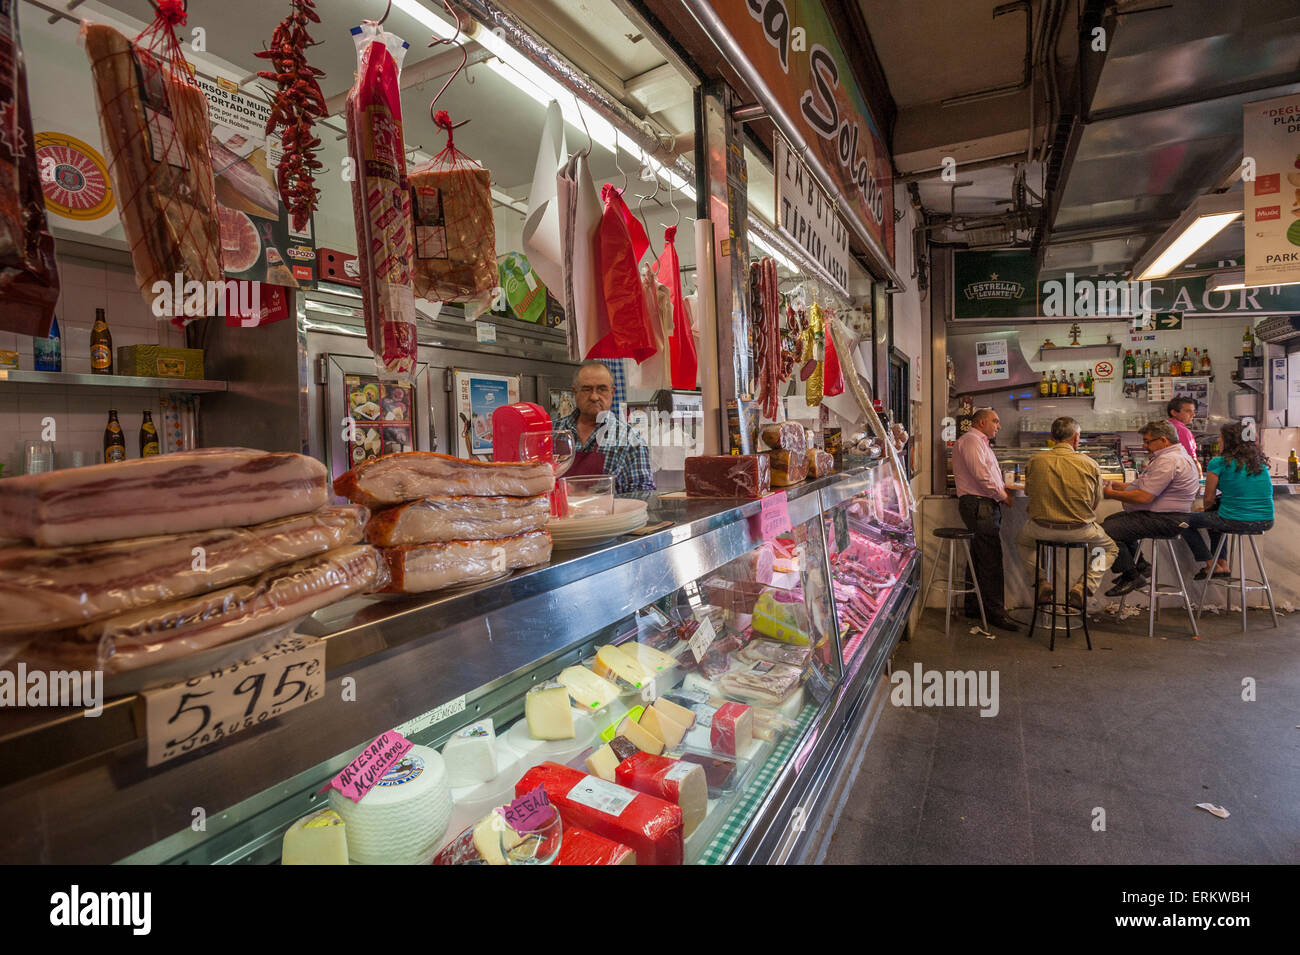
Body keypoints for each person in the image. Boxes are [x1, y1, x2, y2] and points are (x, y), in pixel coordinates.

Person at [1100, 420, 1211, 596]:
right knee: (1111, 521)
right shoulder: (1173, 456)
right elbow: (1140, 485)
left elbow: (1144, 496)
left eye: (1148, 441)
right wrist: (1112, 484)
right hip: (1163, 516)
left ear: (1164, 440)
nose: (1145, 446)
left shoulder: (1168, 460)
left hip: (1165, 520)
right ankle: (1141, 565)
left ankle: (1131, 575)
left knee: (1103, 532)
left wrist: (1111, 494)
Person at [1016, 417, 1118, 609]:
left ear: (1052, 437)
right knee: (1110, 549)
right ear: (1076, 438)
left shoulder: (1035, 460)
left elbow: (1028, 492)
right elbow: (1095, 504)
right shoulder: (1090, 464)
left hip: (1041, 529)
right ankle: (1085, 585)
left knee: (1022, 542)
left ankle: (1041, 581)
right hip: (1080, 531)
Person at [950, 407, 1018, 631]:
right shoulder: (971, 441)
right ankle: (996, 613)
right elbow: (982, 476)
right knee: (990, 559)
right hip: (979, 504)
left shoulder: (979, 442)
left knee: (980, 556)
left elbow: (987, 474)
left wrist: (1002, 487)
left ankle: (973, 607)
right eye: (995, 421)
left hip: (980, 504)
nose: (998, 426)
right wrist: (1003, 496)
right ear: (980, 423)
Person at [1184, 421, 1275, 580]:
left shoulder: (1218, 462)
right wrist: (1209, 512)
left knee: (1181, 521)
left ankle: (1211, 565)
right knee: (1213, 516)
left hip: (1234, 520)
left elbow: (1209, 497)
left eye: (1221, 437)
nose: (1218, 440)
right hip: (1266, 521)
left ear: (1229, 441)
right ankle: (1222, 563)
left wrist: (1206, 510)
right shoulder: (1259, 463)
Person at [553, 360, 655, 493]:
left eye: (602, 389)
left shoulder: (631, 440)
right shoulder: (553, 431)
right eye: (586, 389)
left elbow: (642, 495)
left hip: (606, 513)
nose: (594, 397)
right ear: (575, 392)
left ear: (612, 392)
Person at [1167, 397, 1201, 473]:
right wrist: (1199, 477)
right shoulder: (1182, 430)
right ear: (1174, 412)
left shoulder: (1163, 425)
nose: (1193, 415)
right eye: (1188, 411)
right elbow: (1191, 459)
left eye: (1193, 411)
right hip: (1181, 474)